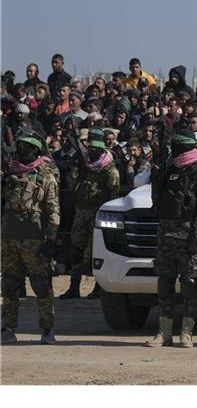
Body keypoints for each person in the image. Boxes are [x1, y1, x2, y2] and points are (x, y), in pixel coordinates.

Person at [143, 130, 197, 348]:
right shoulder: (169, 169)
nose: (175, 150)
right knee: (164, 283)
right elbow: (157, 201)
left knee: (189, 284)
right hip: (166, 235)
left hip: (188, 236)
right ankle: (164, 332)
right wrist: (157, 174)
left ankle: (186, 332)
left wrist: (196, 236)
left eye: (178, 147)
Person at [1, 132, 60, 344]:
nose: (22, 151)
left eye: (26, 147)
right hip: (9, 238)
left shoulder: (45, 176)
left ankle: (47, 330)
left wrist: (51, 240)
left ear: (35, 150)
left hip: (34, 239)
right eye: (20, 147)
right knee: (9, 284)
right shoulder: (9, 173)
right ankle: (7, 328)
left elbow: (53, 211)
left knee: (41, 284)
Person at [60, 128, 120, 299]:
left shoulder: (110, 170)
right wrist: (73, 170)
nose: (92, 152)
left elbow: (113, 196)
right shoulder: (84, 165)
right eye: (90, 148)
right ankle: (74, 286)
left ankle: (98, 287)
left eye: (95, 149)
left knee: (98, 252)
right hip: (81, 211)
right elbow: (73, 187)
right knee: (76, 250)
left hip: (98, 213)